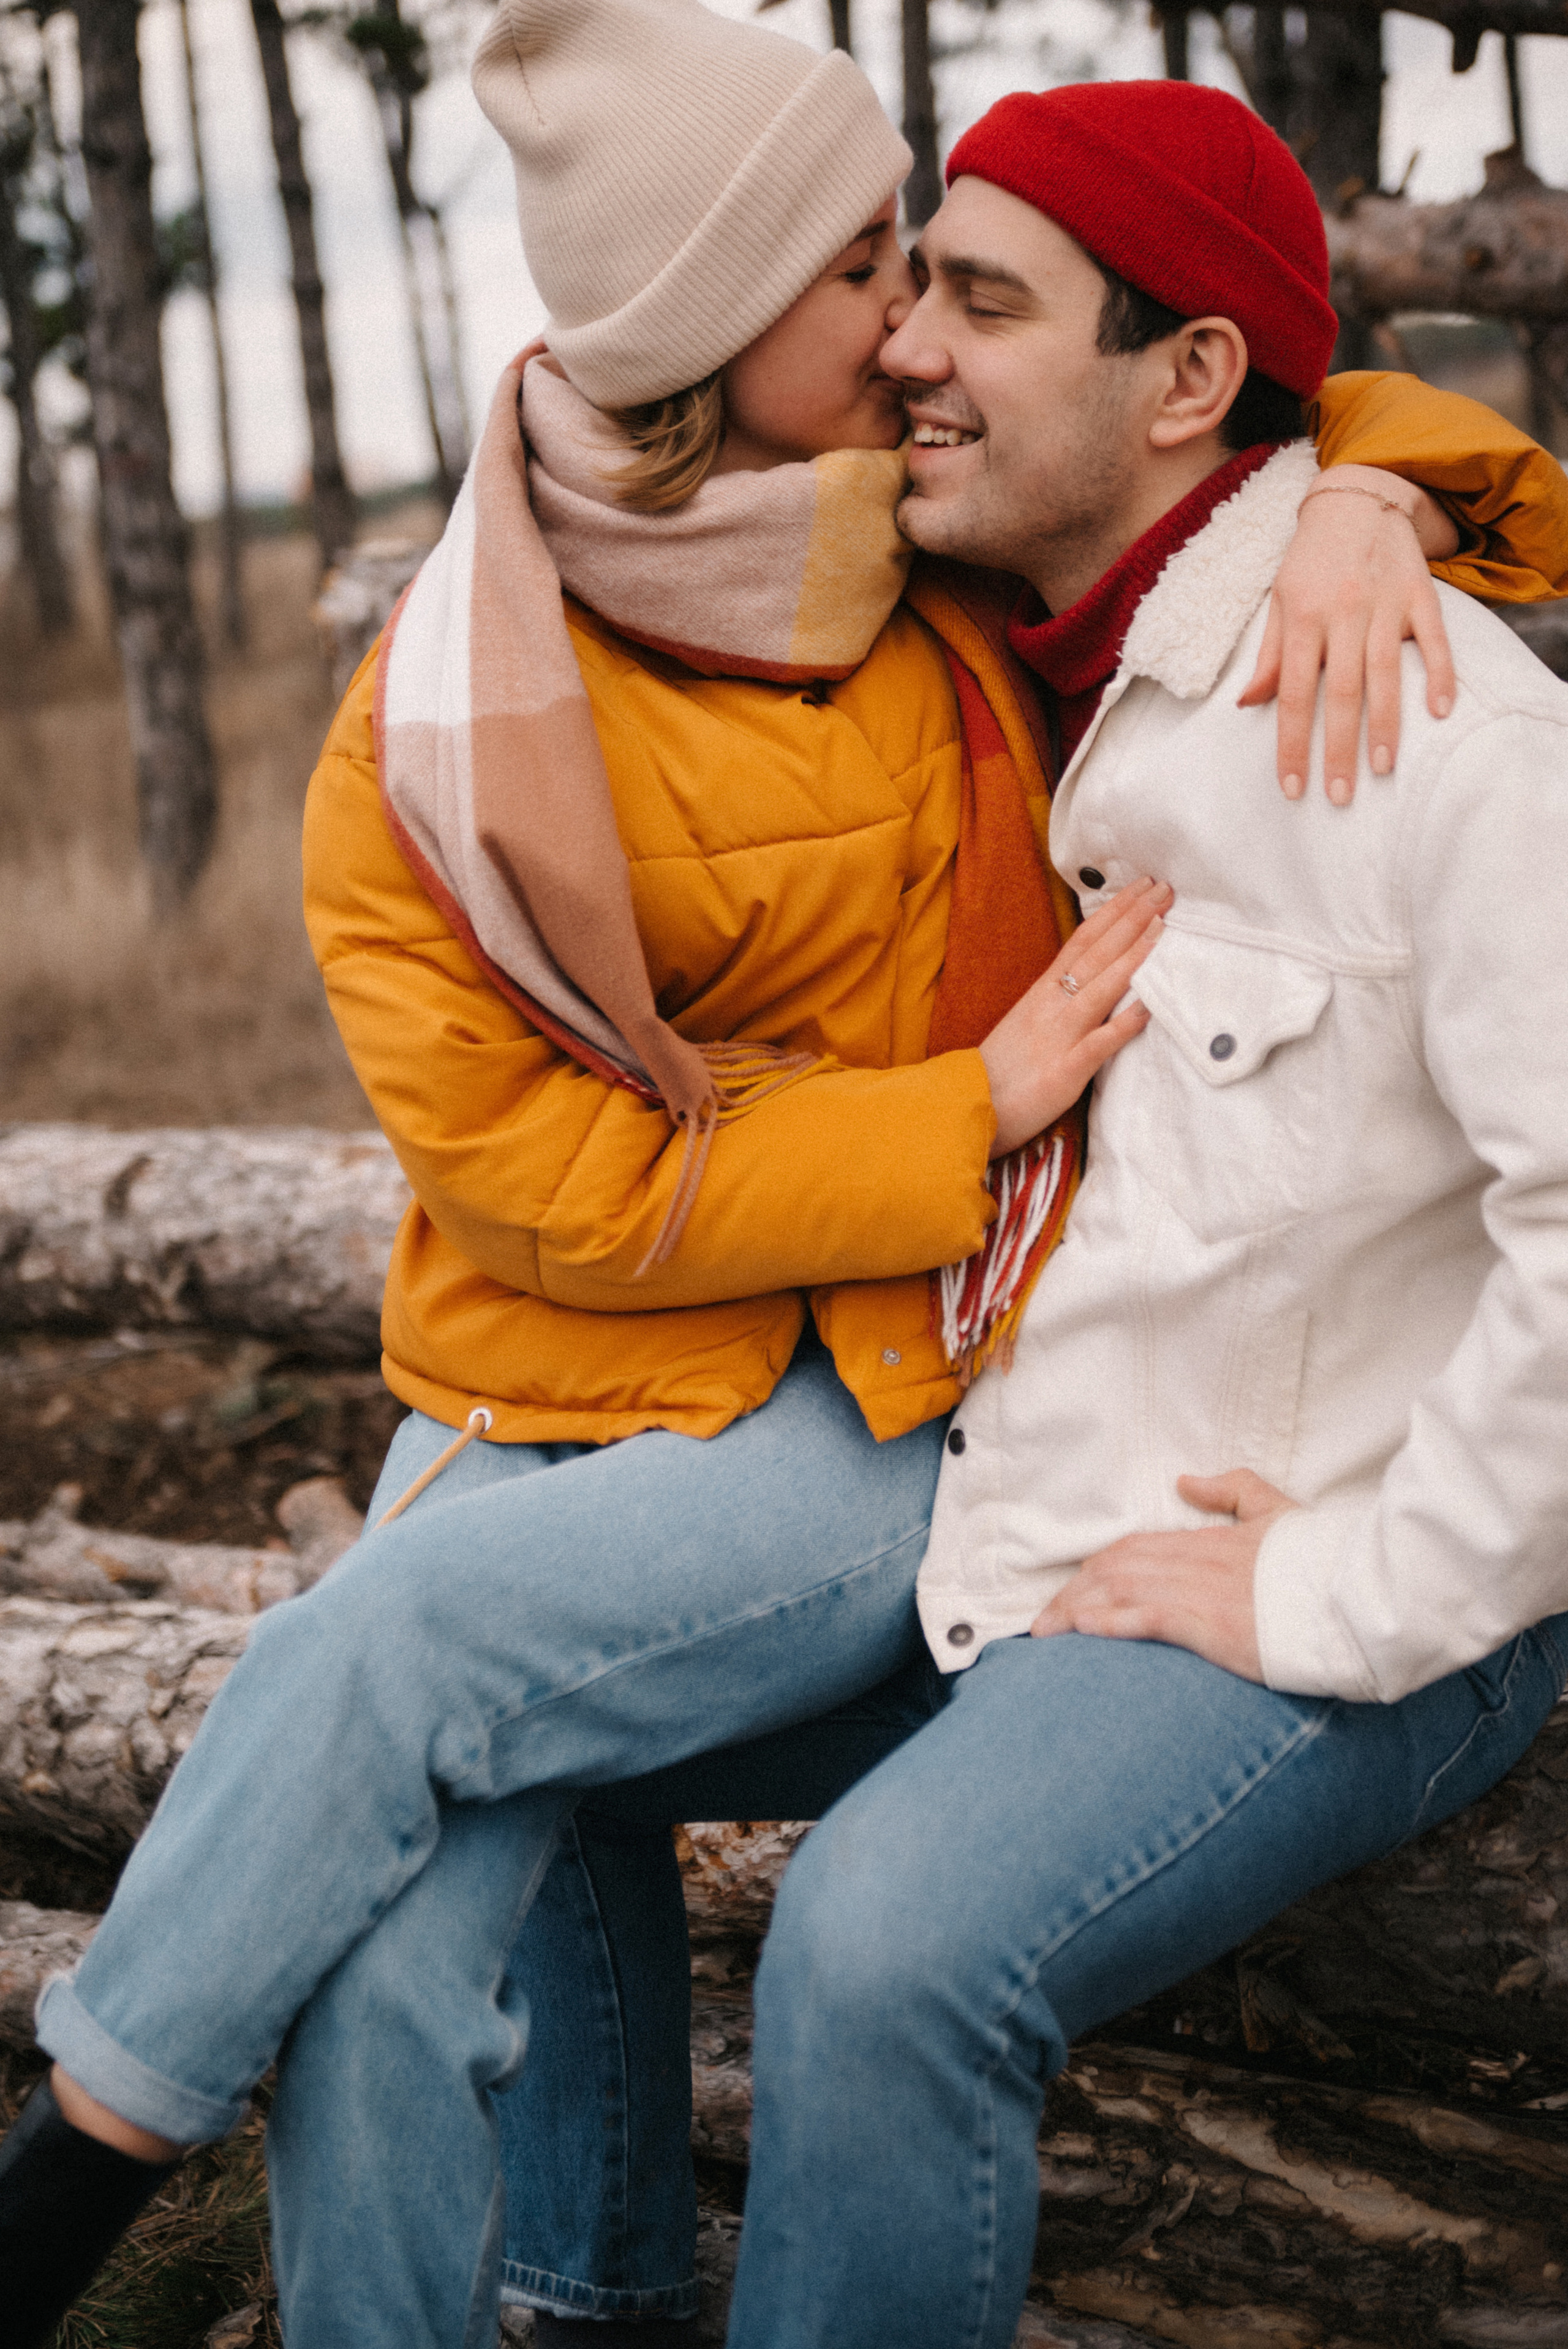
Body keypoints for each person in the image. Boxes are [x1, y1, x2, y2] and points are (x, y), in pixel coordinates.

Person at [0, 5, 1562, 2342]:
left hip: (1073, 1454)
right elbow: (548, 1175)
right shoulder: (621, 671)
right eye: (875, 275)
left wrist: (1374, 493)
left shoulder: (1167, 643)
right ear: (711, 329)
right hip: (705, 1389)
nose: (912, 336)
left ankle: (80, 2173)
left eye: (953, 286)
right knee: (443, 1771)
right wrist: (964, 1111)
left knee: (627, 1796)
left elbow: (1269, 406)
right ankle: (543, 2299)